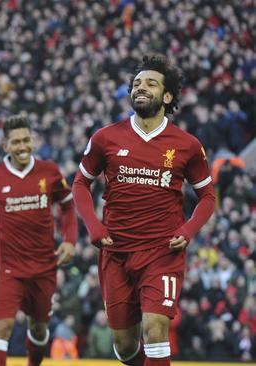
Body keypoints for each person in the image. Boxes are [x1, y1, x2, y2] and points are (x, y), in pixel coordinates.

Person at [72, 54, 215, 366]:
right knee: (125, 346)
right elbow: (80, 185)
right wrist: (94, 227)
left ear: (166, 96)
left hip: (162, 251)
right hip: (116, 250)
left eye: (150, 83)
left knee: (155, 328)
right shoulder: (105, 137)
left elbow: (207, 197)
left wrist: (187, 230)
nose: (141, 87)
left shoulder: (186, 144)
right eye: (136, 83)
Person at [0, 115, 77, 366]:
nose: (22, 146)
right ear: (5, 146)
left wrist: (70, 240)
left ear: (33, 141)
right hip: (6, 270)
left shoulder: (49, 172)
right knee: (1, 328)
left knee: (38, 329)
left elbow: (68, 206)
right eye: (16, 142)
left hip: (43, 268)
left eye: (26, 140)